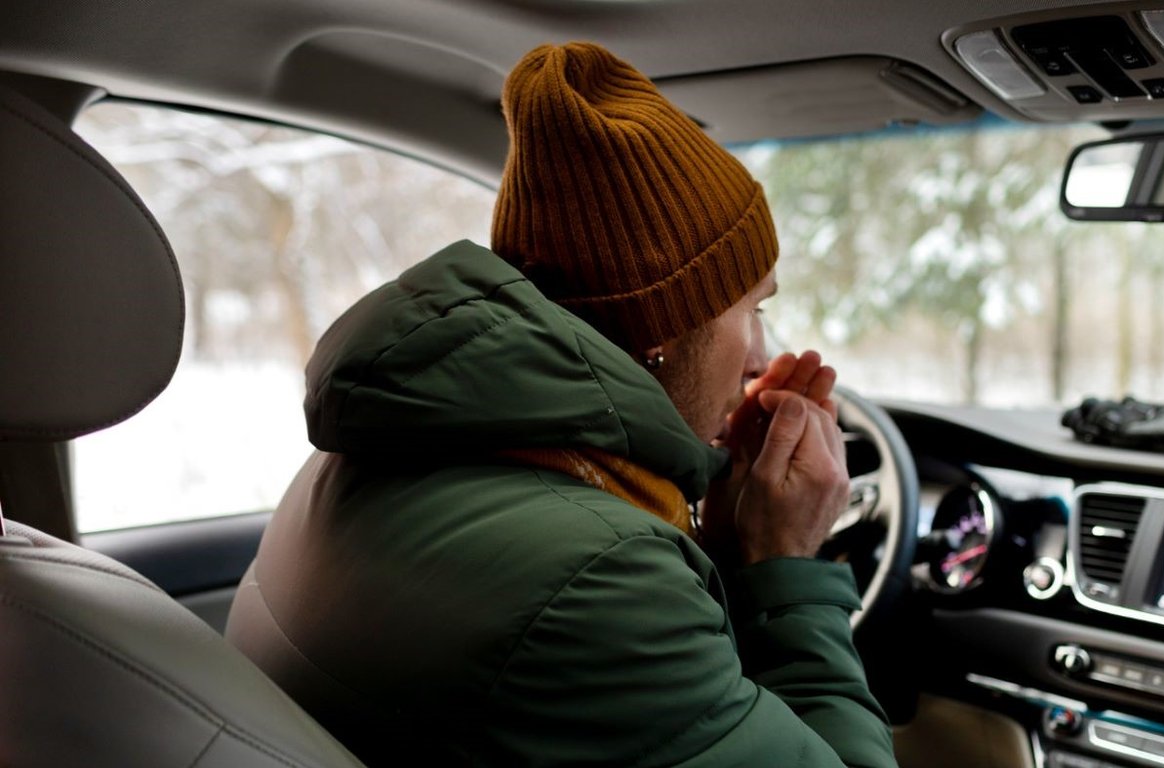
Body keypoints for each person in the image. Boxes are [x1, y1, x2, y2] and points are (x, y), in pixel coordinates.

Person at [226, 41, 898, 768]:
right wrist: (786, 569)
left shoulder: (359, 457)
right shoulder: (599, 583)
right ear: (668, 328)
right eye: (753, 309)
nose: (765, 358)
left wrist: (723, 548)